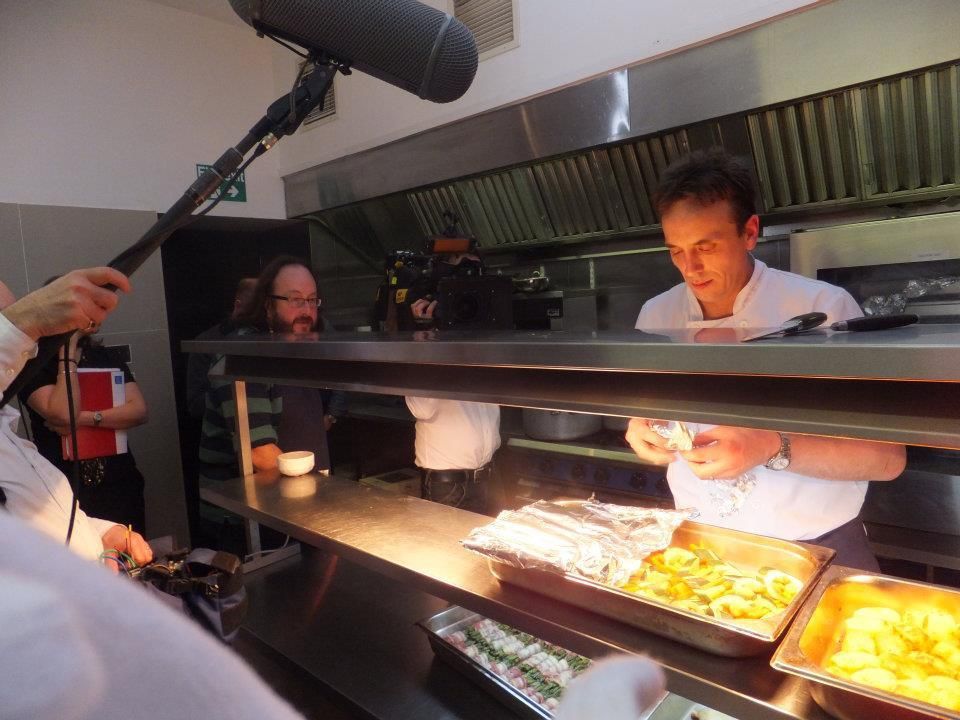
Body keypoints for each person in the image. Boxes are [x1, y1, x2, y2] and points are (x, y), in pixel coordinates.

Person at [625, 149, 906, 570]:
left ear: (750, 232)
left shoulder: (823, 307)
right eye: (677, 250)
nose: (691, 267)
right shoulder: (655, 317)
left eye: (706, 246)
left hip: (818, 548)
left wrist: (771, 445)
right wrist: (641, 429)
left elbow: (887, 458)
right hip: (702, 548)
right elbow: (646, 414)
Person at [0, 269, 153, 567]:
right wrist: (66, 350)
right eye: (8, 323)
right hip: (73, 469)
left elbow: (138, 410)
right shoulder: (37, 366)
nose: (21, 343)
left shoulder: (105, 356)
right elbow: (61, 414)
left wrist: (101, 531)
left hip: (117, 475)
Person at [199, 257, 340, 482]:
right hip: (248, 508)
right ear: (267, 304)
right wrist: (317, 494)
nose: (307, 310)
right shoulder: (245, 354)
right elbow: (259, 452)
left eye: (312, 300)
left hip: (298, 495)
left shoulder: (298, 348)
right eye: (295, 300)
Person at [405, 296, 501, 514]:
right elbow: (421, 408)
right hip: (448, 486)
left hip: (489, 475)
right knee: (445, 548)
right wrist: (425, 338)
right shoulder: (427, 351)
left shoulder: (483, 347)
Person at [185, 277, 257, 420]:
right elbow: (195, 405)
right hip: (222, 432)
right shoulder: (207, 343)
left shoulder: (266, 340)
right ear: (238, 305)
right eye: (254, 311)